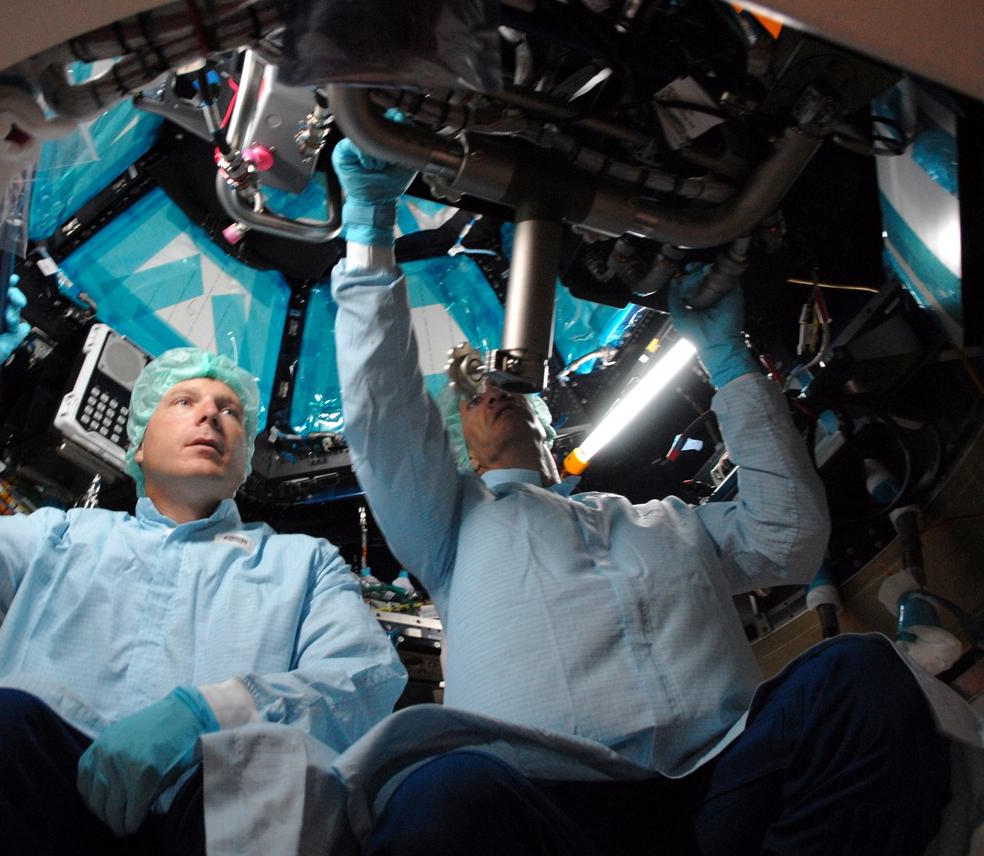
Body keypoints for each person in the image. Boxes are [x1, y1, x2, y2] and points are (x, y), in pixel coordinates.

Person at [325, 138, 953, 855]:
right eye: (474, 398)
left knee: (859, 678)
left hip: (726, 780)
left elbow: (788, 537)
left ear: (548, 423)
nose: (492, 392)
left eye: (510, 390)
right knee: (443, 797)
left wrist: (729, 361)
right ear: (460, 443)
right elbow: (384, 414)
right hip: (552, 809)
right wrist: (370, 235)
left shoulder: (665, 522)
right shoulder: (451, 527)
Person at [0, 278, 405, 855]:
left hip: (212, 817)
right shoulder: (63, 539)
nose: (211, 417)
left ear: (244, 461)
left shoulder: (302, 565)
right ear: (139, 447)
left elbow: (362, 680)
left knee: (271, 776)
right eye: (184, 402)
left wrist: (210, 712)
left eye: (230, 412)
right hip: (43, 811)